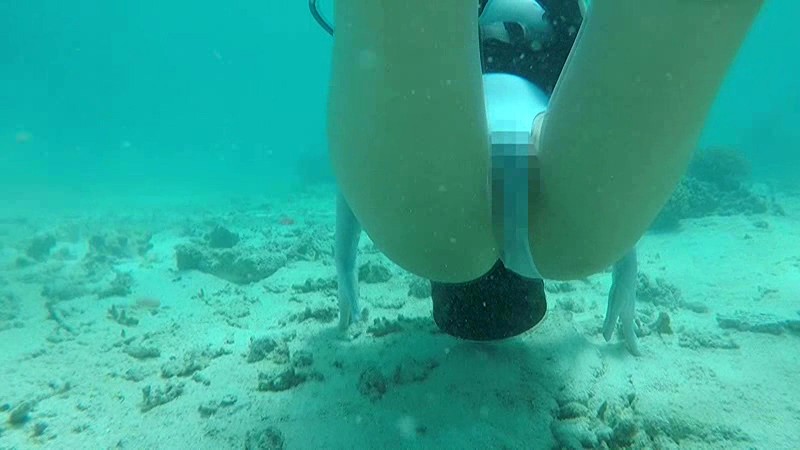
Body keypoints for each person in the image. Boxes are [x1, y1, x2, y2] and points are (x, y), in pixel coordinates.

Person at [320, 0, 764, 355]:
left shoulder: (568, 229)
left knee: (571, 244)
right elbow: (363, 161)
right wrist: (344, 262)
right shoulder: (443, 223)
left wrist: (623, 259)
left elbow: (362, 160)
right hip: (444, 222)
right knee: (465, 242)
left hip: (514, 213)